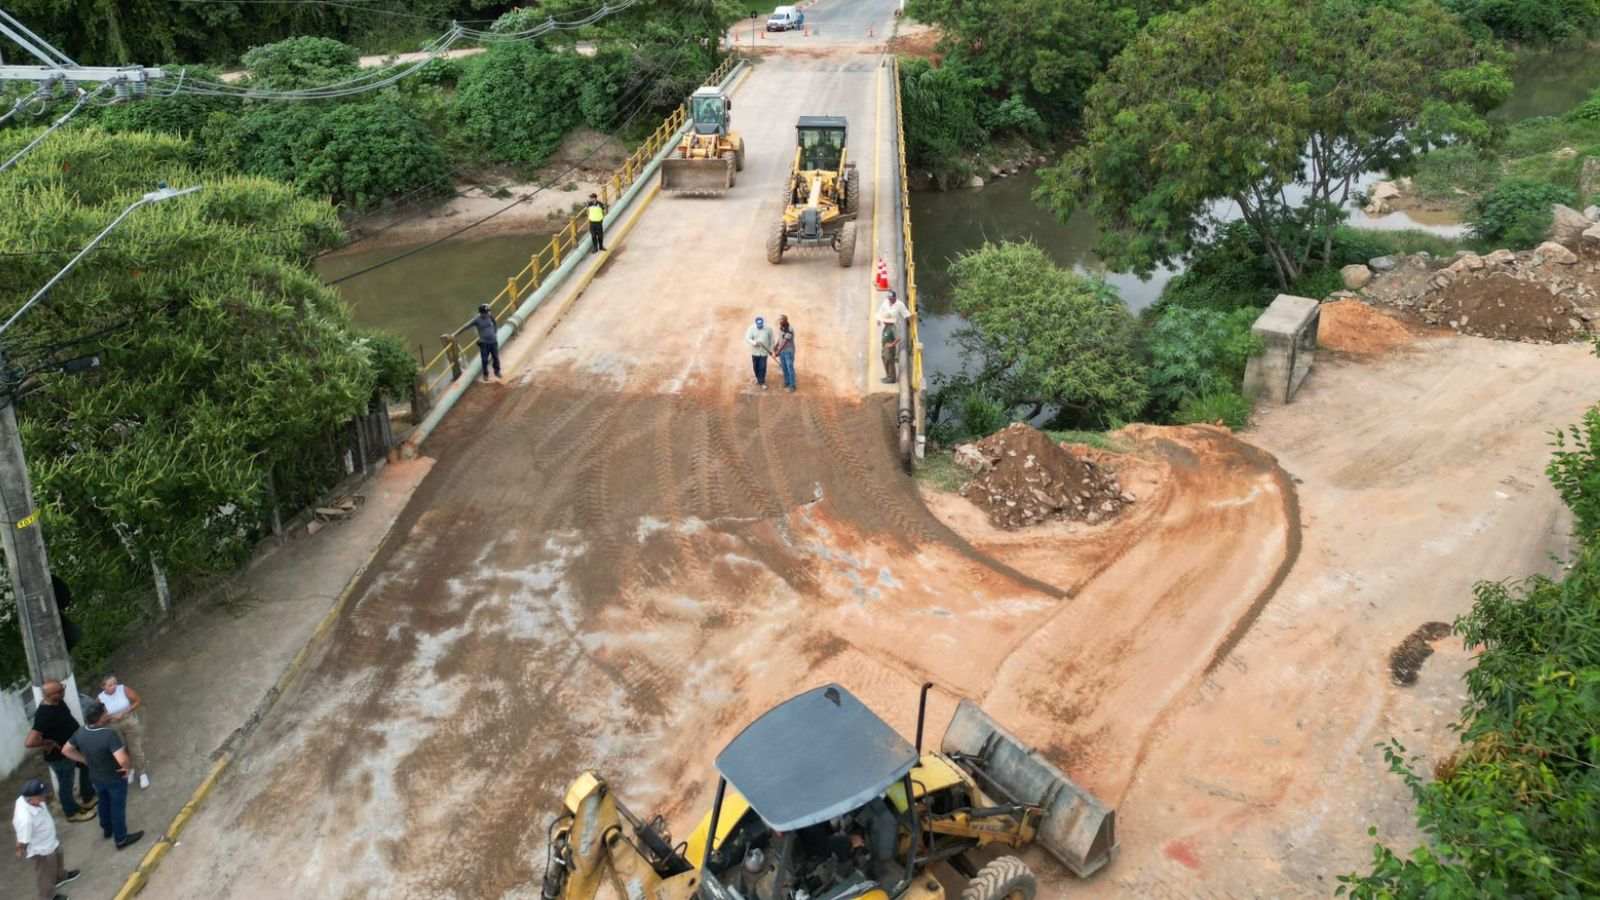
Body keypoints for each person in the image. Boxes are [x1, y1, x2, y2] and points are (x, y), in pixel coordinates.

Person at [62, 702, 143, 851]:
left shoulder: (80, 732)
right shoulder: (108, 735)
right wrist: (126, 769)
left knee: (103, 802)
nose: (108, 714)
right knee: (117, 807)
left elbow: (66, 750)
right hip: (114, 777)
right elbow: (122, 759)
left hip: (96, 776)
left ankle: (107, 829)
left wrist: (85, 760)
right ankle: (121, 838)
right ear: (101, 717)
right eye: (105, 712)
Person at [23, 681, 96, 822]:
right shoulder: (43, 714)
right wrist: (48, 742)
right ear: (49, 695)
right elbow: (29, 742)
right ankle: (72, 813)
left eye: (63, 688)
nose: (63, 691)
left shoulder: (59, 702)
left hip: (74, 746)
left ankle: (87, 797)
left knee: (86, 765)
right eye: (60, 690)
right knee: (66, 785)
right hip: (60, 756)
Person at [13, 779, 79, 900]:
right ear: (31, 799)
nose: (45, 796)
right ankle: (47, 896)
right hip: (41, 850)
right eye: (41, 795)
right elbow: (22, 841)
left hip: (50, 841)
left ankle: (60, 877)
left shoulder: (28, 798)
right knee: (45, 874)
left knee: (59, 854)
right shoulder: (25, 819)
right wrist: (20, 850)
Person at [97, 674, 148, 790]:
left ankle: (142, 773)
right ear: (103, 687)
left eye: (114, 683)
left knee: (135, 748)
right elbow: (100, 716)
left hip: (128, 720)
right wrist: (109, 718)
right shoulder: (100, 698)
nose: (113, 686)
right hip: (113, 725)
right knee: (122, 750)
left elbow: (137, 700)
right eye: (110, 685)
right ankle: (129, 770)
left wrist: (125, 711)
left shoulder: (123, 689)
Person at [471, 304, 502, 382]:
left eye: (488, 311)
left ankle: (497, 371)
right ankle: (485, 374)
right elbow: (466, 326)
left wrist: (495, 331)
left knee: (496, 357)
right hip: (484, 343)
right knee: (484, 360)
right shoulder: (477, 320)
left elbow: (494, 323)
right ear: (482, 313)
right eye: (487, 312)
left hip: (493, 342)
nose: (489, 313)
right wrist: (456, 334)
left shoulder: (490, 316)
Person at [744, 316, 775, 390]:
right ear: (756, 323)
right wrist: (754, 343)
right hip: (755, 352)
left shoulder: (768, 329)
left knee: (763, 367)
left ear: (763, 323)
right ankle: (758, 379)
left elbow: (772, 340)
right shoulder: (751, 328)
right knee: (755, 367)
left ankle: (762, 382)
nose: (759, 326)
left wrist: (771, 350)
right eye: (758, 325)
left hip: (764, 352)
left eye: (761, 324)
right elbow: (747, 338)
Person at [773, 315, 797, 392]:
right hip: (782, 351)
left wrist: (777, 352)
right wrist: (775, 346)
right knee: (784, 367)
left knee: (790, 368)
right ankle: (787, 382)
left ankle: (792, 385)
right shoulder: (781, 328)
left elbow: (785, 342)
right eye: (779, 321)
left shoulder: (790, 329)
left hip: (788, 352)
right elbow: (780, 339)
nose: (779, 323)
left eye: (781, 321)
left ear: (785, 321)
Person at [880, 320, 899, 384]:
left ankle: (891, 378)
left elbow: (898, 338)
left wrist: (892, 344)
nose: (883, 321)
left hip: (889, 349)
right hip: (885, 347)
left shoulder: (893, 328)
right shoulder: (886, 326)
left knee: (889, 361)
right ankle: (888, 376)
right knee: (885, 360)